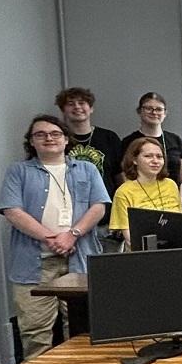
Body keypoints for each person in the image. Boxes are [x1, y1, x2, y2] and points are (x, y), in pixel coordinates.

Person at [0, 115, 110, 364]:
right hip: (33, 261)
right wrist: (51, 238)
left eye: (55, 133)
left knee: (81, 323)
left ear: (65, 139)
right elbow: (12, 210)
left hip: (80, 257)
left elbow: (98, 207)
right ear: (31, 141)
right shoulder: (18, 171)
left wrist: (72, 235)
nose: (49, 138)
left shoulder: (86, 169)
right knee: (34, 326)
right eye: (41, 134)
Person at [57, 87, 123, 252]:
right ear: (63, 110)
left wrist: (122, 218)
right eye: (70, 103)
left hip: (107, 224)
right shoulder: (57, 140)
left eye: (82, 103)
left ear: (91, 108)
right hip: (69, 226)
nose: (77, 107)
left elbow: (121, 181)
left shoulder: (109, 138)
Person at [108, 138, 182, 245]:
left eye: (159, 156)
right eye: (148, 156)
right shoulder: (124, 192)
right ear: (134, 160)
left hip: (176, 247)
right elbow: (129, 238)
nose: (155, 161)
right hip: (143, 251)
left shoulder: (170, 185)